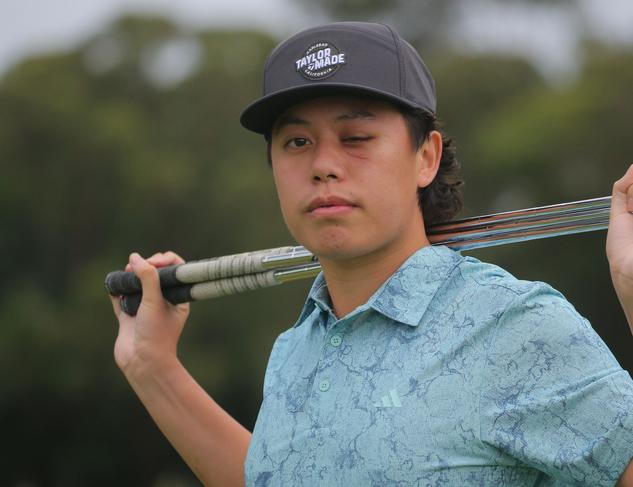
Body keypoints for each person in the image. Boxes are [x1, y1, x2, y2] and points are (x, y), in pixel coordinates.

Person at [109, 22, 633, 486]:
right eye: (296, 142)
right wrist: (151, 366)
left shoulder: (518, 327)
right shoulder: (295, 349)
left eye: (356, 136)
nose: (323, 165)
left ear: (425, 157)